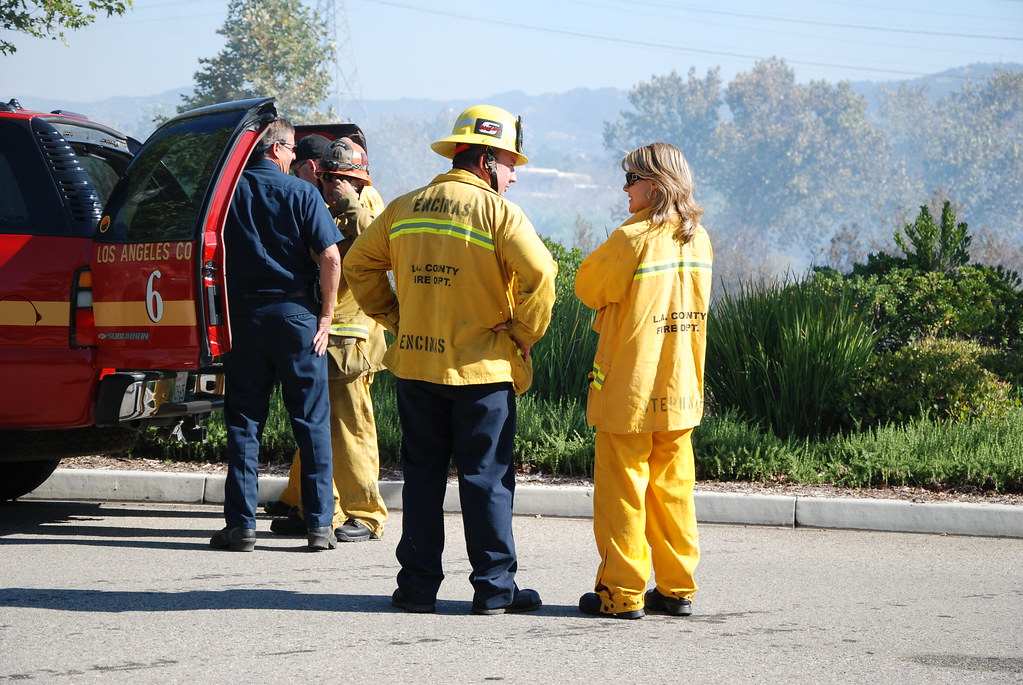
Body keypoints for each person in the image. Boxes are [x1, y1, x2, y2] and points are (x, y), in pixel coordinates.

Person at [344, 105, 558, 615]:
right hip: (482, 374)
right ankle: (493, 589)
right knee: (486, 478)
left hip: (417, 369)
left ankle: (417, 587)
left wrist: (396, 317)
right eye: (508, 164)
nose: (511, 177)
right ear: (484, 159)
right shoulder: (499, 214)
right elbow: (543, 277)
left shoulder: (405, 207)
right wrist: (524, 331)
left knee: (421, 477)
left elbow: (357, 264)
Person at [575, 142, 713, 619]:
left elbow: (587, 288)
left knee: (623, 497)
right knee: (673, 492)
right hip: (680, 390)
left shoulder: (632, 238)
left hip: (629, 391)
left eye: (631, 178)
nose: (625, 187)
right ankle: (677, 589)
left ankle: (622, 594)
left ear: (654, 185)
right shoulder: (699, 238)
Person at [210, 118, 342, 553]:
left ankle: (241, 527)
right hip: (296, 319)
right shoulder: (303, 193)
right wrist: (326, 316)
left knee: (244, 423)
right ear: (276, 149)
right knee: (311, 422)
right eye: (291, 150)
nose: (295, 157)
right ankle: (320, 526)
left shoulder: (228, 194)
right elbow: (330, 256)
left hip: (243, 318)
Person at [269, 137, 389, 543]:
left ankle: (366, 513)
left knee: (350, 427)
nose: (334, 185)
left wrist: (350, 201)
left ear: (359, 179)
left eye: (343, 179)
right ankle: (308, 503)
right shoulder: (322, 206)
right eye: (330, 177)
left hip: (352, 340)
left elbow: (378, 245)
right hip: (323, 334)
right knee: (315, 423)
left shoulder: (368, 203)